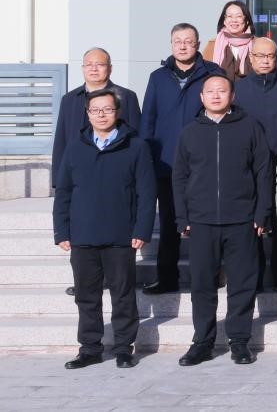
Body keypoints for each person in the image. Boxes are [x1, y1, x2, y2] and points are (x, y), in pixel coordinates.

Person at [172, 73, 272, 367]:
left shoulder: (250, 127)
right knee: (202, 284)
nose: (216, 96)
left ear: (232, 96)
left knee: (242, 284)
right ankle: (202, 342)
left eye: (222, 91)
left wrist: (261, 212)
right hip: (201, 221)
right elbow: (179, 177)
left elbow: (263, 172)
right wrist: (182, 216)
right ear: (201, 97)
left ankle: (239, 341)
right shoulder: (190, 132)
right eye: (210, 91)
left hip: (241, 219)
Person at [54, 89, 156, 370]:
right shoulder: (75, 147)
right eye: (95, 110)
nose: (101, 115)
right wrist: (61, 231)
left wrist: (142, 230)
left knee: (122, 294)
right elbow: (63, 192)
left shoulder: (136, 146)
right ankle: (89, 349)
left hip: (120, 235)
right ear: (87, 114)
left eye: (108, 109)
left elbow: (147, 193)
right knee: (86, 296)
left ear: (117, 112)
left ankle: (123, 348)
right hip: (82, 235)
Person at [141, 22, 223, 295]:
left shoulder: (213, 73)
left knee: (206, 224)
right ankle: (167, 277)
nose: (183, 45)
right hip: (166, 163)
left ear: (197, 44)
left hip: (204, 164)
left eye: (188, 41)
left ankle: (209, 277)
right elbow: (148, 118)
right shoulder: (158, 77)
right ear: (171, 44)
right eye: (178, 41)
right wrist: (148, 157)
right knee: (169, 223)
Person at [234, 38, 277, 294]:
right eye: (260, 56)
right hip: (249, 166)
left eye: (270, 56)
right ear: (251, 58)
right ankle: (256, 278)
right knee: (253, 224)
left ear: (276, 58)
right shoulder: (239, 89)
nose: (265, 61)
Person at [53, 48, 141, 188]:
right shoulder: (69, 99)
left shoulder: (127, 97)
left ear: (110, 68)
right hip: (78, 174)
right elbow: (61, 140)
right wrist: (58, 181)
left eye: (100, 64)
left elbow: (137, 137)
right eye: (89, 64)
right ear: (83, 68)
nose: (94, 69)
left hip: (117, 174)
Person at [202, 0, 255, 79]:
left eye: (239, 16)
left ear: (247, 21)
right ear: (224, 20)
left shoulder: (257, 44)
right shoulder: (212, 45)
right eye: (230, 16)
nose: (234, 20)